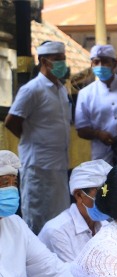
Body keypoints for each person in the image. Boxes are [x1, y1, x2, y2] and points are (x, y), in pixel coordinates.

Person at [0, 151, 73, 277]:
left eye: (14, 183)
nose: (10, 191)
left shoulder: (15, 225)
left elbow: (54, 271)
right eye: (3, 183)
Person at [4, 41, 72, 234]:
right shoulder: (32, 89)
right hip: (38, 167)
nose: (62, 63)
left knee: (59, 220)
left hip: (59, 165)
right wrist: (33, 140)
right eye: (57, 59)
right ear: (44, 61)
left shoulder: (60, 89)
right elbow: (11, 121)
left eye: (63, 59)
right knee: (38, 219)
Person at [32, 159, 112, 277]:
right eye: (100, 194)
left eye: (109, 193)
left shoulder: (106, 227)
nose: (107, 200)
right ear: (79, 195)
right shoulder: (57, 230)